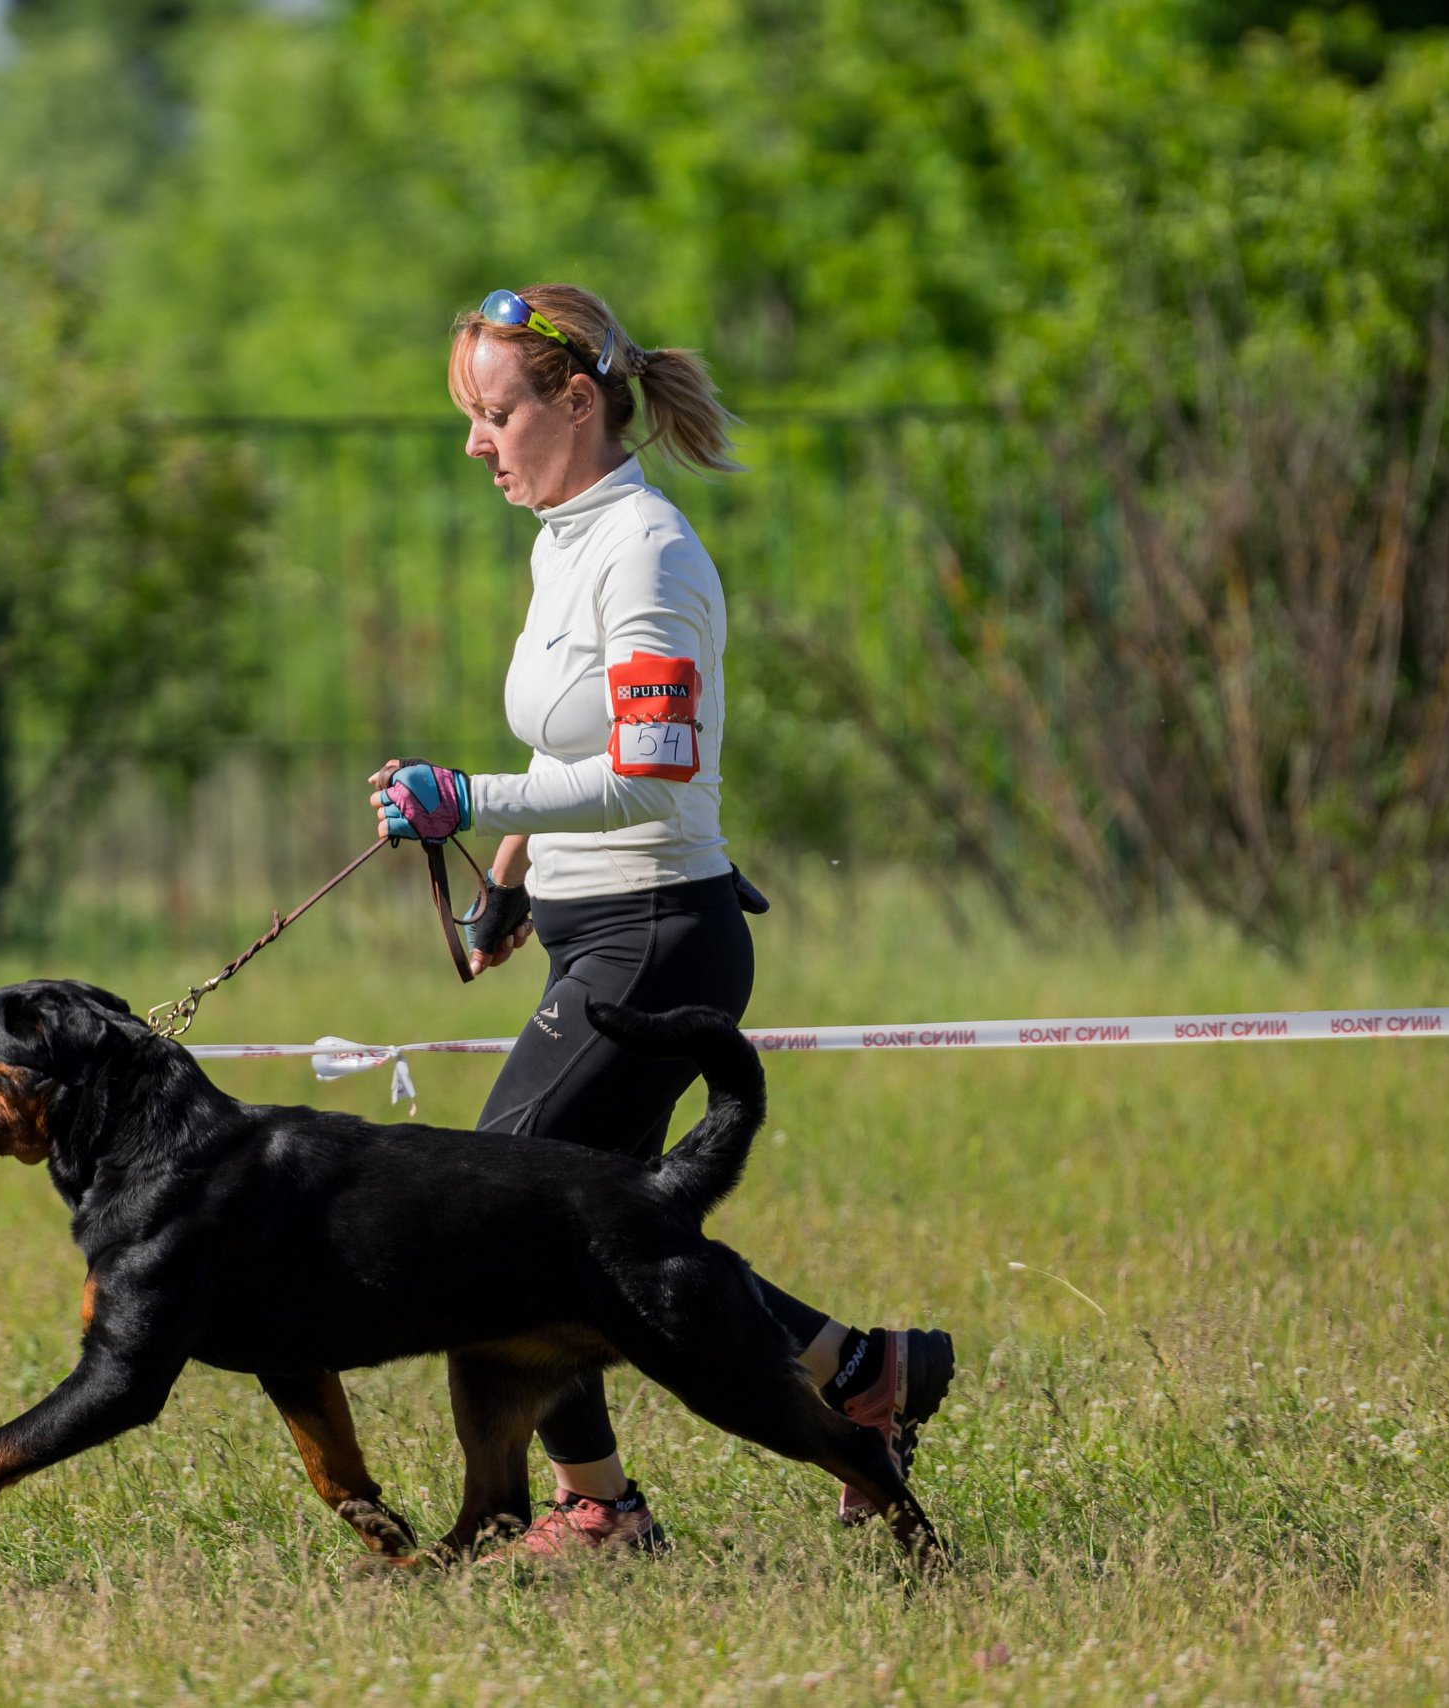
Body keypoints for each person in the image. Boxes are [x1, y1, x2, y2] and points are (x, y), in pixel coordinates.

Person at [367, 284, 954, 1559]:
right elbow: (559, 735)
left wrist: (464, 797)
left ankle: (602, 1505)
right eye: (472, 415)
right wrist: (511, 872)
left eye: (495, 413)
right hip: (597, 925)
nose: (477, 443)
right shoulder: (562, 538)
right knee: (598, 1230)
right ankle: (853, 1369)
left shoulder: (648, 550)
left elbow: (650, 770)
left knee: (503, 1226)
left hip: (656, 936)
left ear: (576, 402)